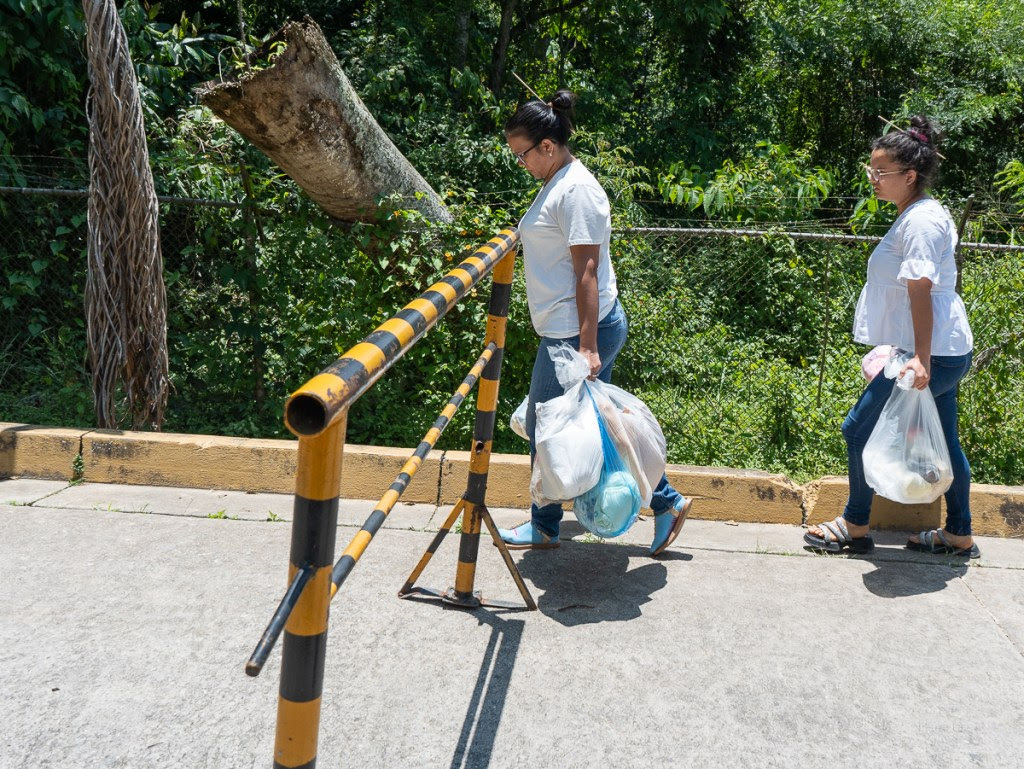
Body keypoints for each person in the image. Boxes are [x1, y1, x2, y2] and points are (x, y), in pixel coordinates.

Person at [497, 89, 692, 556]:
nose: (520, 163)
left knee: (547, 423)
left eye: (522, 154)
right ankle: (666, 502)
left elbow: (587, 270)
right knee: (591, 424)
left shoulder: (577, 190)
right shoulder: (556, 182)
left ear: (547, 146)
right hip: (568, 328)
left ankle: (546, 524)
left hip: (578, 332)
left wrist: (586, 347)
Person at [804, 116, 978, 557]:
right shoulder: (916, 214)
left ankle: (855, 525)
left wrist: (919, 358)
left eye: (881, 172)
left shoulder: (921, 222)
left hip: (930, 353)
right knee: (946, 442)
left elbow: (920, 287)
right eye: (871, 169)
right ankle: (959, 532)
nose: (873, 179)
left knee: (858, 428)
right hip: (941, 350)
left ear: (910, 176)